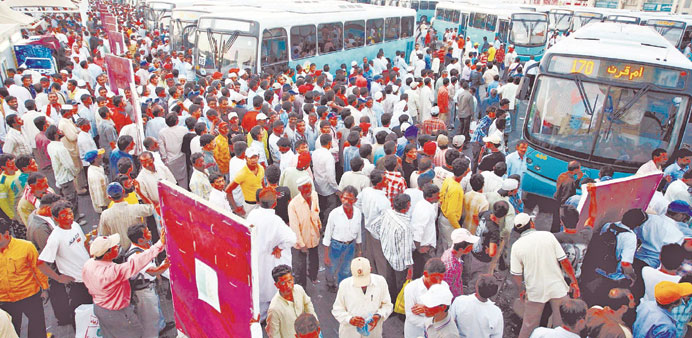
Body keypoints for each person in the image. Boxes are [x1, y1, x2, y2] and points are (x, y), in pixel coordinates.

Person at [82, 229, 166, 338]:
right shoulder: (112, 272)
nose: (118, 246)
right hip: (117, 313)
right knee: (134, 333)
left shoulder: (89, 264)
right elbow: (136, 263)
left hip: (99, 308)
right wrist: (159, 244)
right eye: (114, 247)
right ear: (106, 253)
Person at [511, 213, 580, 338]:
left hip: (535, 290)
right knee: (562, 325)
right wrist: (574, 281)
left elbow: (516, 274)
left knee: (528, 325)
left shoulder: (516, 246)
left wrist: (522, 290)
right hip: (557, 287)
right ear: (531, 224)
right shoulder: (547, 236)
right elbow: (564, 261)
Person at [246, 188, 297, 321]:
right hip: (271, 261)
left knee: (259, 289)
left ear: (258, 202)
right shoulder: (276, 221)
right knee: (271, 291)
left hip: (256, 259)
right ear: (275, 204)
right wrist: (279, 247)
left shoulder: (252, 215)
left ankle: (261, 318)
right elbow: (292, 239)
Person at [37, 200, 94, 319]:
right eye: (63, 215)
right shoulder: (55, 238)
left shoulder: (75, 225)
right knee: (81, 314)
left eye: (70, 213)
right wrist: (59, 278)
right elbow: (40, 263)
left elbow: (84, 243)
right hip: (77, 283)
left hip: (90, 274)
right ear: (56, 218)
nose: (68, 217)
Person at [0, 218, 49, 338]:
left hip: (29, 296)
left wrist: (45, 289)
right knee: (10, 330)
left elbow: (38, 269)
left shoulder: (26, 247)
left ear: (6, 234)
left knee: (37, 327)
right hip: (5, 301)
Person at [124, 224, 170, 338]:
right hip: (144, 292)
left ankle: (160, 330)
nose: (150, 232)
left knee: (155, 313)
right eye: (147, 232)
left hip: (150, 286)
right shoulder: (135, 255)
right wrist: (169, 261)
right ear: (140, 239)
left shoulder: (144, 245)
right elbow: (154, 271)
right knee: (149, 320)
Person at [332, 257, 393, 338]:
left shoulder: (381, 281)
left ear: (370, 269)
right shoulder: (344, 285)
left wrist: (378, 315)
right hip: (350, 334)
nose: (363, 285)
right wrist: (350, 319)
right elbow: (337, 310)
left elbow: (388, 306)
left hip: (373, 333)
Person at [323, 186, 362, 292]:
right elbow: (327, 235)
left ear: (355, 200)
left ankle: (343, 286)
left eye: (350, 199)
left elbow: (358, 232)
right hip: (336, 245)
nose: (347, 201)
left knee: (346, 269)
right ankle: (330, 283)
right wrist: (326, 255)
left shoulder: (358, 213)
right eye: (344, 198)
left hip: (351, 246)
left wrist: (359, 249)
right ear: (341, 198)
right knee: (331, 266)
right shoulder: (334, 214)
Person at [98, 182, 154, 250]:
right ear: (123, 191)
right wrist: (140, 193)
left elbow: (104, 235)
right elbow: (151, 208)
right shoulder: (135, 208)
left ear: (109, 197)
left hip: (119, 251)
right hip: (138, 247)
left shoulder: (105, 215)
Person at [287, 176, 322, 288]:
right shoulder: (293, 205)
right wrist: (301, 245)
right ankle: (302, 288)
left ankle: (313, 276)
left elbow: (317, 211)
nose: (308, 193)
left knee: (314, 259)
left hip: (314, 235)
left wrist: (319, 225)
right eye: (305, 190)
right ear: (300, 189)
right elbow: (294, 227)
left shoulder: (315, 196)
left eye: (309, 189)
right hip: (302, 239)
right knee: (300, 266)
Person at [266, 265, 317, 338]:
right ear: (277, 285)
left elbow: (307, 303)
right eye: (283, 283)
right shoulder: (274, 309)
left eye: (290, 281)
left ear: (293, 279)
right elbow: (274, 334)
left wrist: (314, 320)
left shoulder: (299, 290)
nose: (288, 286)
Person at [404, 258, 449, 338]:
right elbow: (410, 316)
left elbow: (446, 309)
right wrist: (434, 319)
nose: (438, 282)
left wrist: (427, 309)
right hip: (416, 330)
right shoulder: (411, 288)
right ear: (426, 274)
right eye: (435, 279)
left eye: (441, 279)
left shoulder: (444, 286)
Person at [439, 158, 469, 252]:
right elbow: (451, 213)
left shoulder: (448, 179)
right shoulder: (456, 189)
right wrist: (458, 228)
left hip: (443, 217)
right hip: (449, 222)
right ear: (464, 172)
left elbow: (441, 196)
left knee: (444, 243)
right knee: (450, 248)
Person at [442, 228, 479, 298]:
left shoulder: (451, 253)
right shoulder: (451, 267)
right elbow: (446, 289)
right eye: (470, 246)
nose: (472, 247)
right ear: (461, 249)